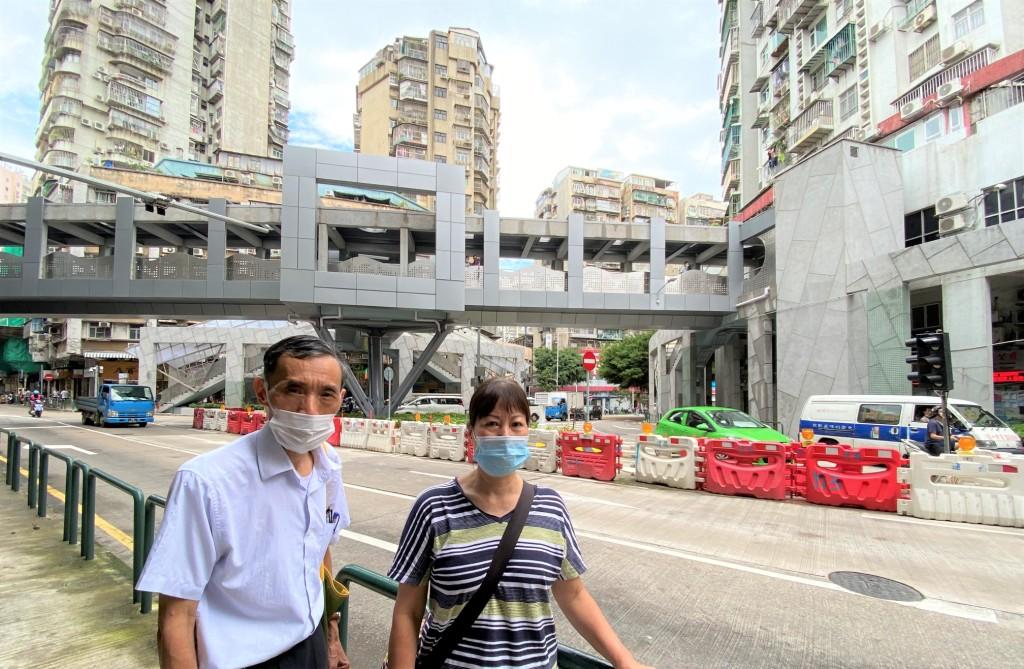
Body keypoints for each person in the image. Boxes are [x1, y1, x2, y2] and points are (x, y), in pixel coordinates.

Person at [387, 377, 652, 669]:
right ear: (471, 432)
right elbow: (407, 611)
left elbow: (574, 595)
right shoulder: (434, 507)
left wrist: (625, 662)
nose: (505, 434)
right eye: (491, 423)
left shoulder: (551, 507)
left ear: (528, 430)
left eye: (515, 424)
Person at [137, 335, 352, 669]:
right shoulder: (207, 482)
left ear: (340, 399)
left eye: (325, 394)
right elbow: (176, 618)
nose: (310, 409)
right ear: (263, 392)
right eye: (294, 389)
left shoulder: (329, 466)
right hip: (241, 659)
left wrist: (331, 635)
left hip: (310, 642)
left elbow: (319, 551)